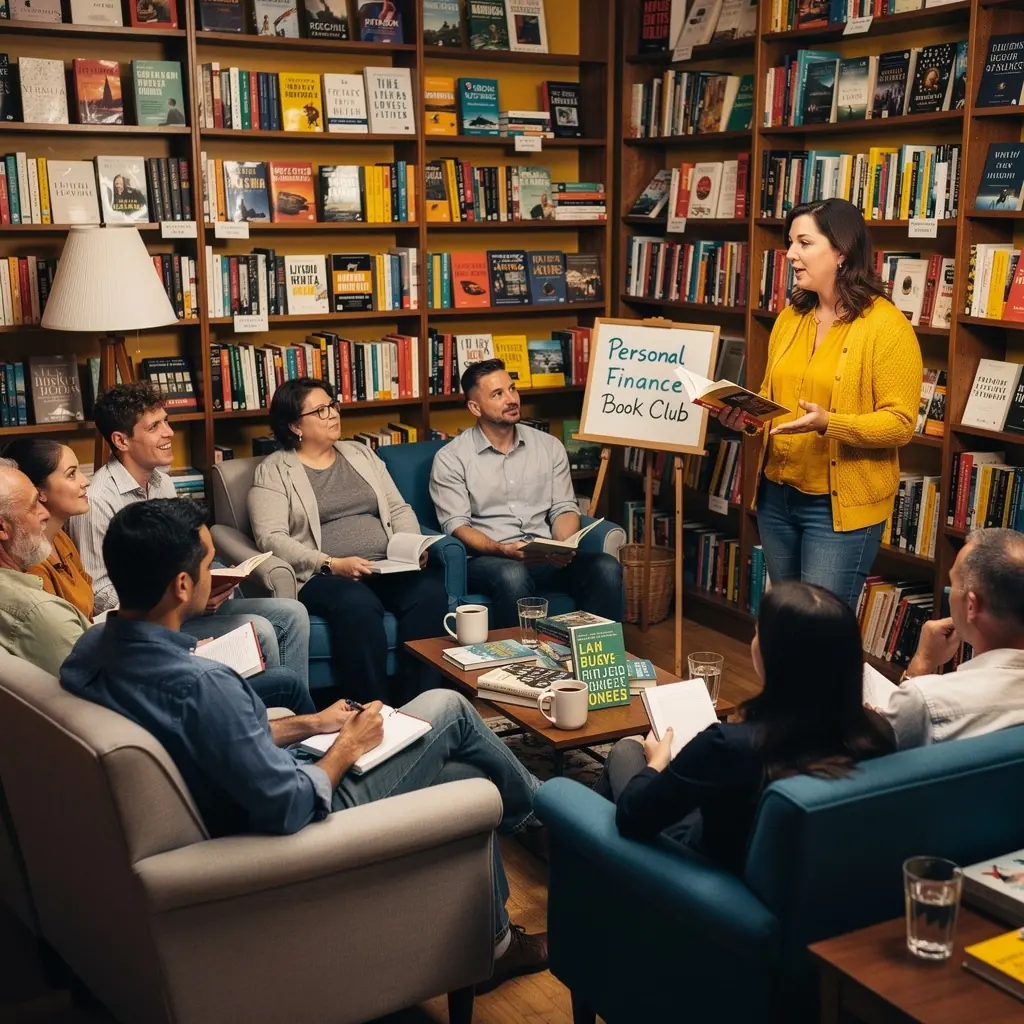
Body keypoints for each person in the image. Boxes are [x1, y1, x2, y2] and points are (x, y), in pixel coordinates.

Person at [60, 498, 548, 992]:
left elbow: (201, 740)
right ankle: (550, 820)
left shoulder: (91, 652)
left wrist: (310, 724)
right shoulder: (201, 685)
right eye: (210, 565)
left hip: (233, 795)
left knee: (464, 782)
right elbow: (287, 806)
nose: (216, 574)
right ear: (182, 585)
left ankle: (495, 941)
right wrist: (347, 747)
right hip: (288, 826)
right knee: (447, 705)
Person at [595, 581, 894, 873]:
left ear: (771, 657)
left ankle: (584, 846)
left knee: (626, 751)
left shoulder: (730, 746)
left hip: (707, 880)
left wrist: (658, 763)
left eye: (757, 632)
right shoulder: (876, 733)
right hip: (813, 883)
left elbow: (633, 816)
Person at [715, 198, 923, 609]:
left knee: (820, 631)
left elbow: (901, 424)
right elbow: (772, 402)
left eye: (804, 243)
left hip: (835, 508)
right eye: (790, 242)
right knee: (786, 622)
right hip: (777, 496)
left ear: (841, 252)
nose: (790, 254)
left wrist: (831, 423)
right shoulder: (791, 317)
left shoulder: (886, 326)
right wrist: (745, 418)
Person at [0, 449, 311, 713]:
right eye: (70, 474)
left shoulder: (58, 544)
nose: (84, 481)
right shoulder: (40, 598)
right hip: (141, 656)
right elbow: (102, 668)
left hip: (133, 640)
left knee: (286, 626)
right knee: (281, 674)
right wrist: (177, 648)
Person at [66, 382, 311, 686]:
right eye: (155, 426)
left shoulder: (161, 482)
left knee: (293, 613)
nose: (169, 432)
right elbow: (100, 593)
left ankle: (293, 714)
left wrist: (214, 583)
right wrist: (179, 599)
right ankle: (253, 718)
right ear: (121, 440)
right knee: (257, 629)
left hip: (185, 600)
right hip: (150, 624)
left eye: (166, 421)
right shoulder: (98, 500)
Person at [248, 378, 447, 704]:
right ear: (295, 425)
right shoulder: (274, 470)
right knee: (357, 605)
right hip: (323, 574)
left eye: (333, 405)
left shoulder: (359, 453)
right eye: (320, 410)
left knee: (428, 592)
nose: (332, 414)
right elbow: (271, 537)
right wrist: (329, 563)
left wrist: (412, 546)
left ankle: (420, 704)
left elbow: (398, 507)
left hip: (387, 565)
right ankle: (372, 710)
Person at [429, 359, 624, 629]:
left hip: (545, 556)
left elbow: (564, 508)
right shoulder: (451, 459)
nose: (511, 399)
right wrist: (502, 550)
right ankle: (521, 666)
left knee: (606, 567)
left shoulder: (548, 446)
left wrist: (563, 546)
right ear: (475, 407)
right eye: (498, 394)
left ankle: (599, 662)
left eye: (512, 389)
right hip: (491, 560)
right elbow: (457, 525)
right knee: (512, 574)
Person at [879, 528, 1024, 749]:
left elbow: (877, 762)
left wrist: (921, 665)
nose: (949, 591)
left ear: (971, 606)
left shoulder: (926, 702)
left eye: (953, 584)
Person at [3, 438, 94, 618]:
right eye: (71, 474)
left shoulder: (60, 537)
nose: (86, 481)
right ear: (39, 491)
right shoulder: (29, 558)